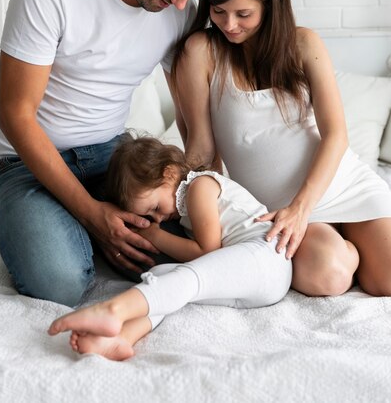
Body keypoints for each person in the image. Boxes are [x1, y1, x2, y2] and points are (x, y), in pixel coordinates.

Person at [0, 0, 226, 307]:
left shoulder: (177, 10)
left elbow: (187, 107)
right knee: (57, 283)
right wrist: (92, 215)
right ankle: (74, 230)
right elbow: (16, 114)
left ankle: (85, 232)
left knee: (198, 252)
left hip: (114, 160)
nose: (183, 2)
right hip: (25, 164)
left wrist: (202, 182)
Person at [172, 0, 391, 298]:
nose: (229, 25)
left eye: (244, 14)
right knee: (330, 275)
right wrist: (188, 203)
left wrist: (301, 208)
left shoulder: (304, 44)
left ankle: (353, 239)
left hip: (339, 186)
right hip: (274, 210)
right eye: (219, 10)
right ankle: (344, 245)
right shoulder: (201, 52)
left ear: (270, 5)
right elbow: (202, 148)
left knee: (387, 282)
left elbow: (336, 135)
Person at [48, 133, 292, 360]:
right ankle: (123, 337)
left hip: (267, 257)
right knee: (161, 277)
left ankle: (114, 310)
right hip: (244, 289)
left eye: (155, 208)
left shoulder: (200, 187)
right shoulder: (183, 208)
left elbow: (208, 251)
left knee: (188, 277)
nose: (159, 220)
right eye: (151, 217)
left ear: (169, 174)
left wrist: (155, 236)